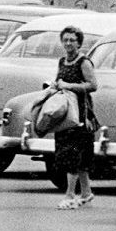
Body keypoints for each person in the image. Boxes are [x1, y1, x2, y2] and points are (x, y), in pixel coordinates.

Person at [46, 25, 99, 210]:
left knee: (73, 154)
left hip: (80, 115)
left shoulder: (84, 62)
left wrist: (69, 85)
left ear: (79, 43)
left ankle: (69, 195)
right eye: (65, 40)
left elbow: (92, 85)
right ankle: (85, 193)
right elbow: (59, 81)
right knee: (78, 156)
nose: (68, 43)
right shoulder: (62, 61)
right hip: (66, 113)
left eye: (72, 40)